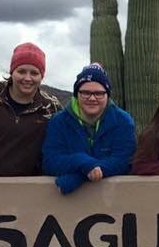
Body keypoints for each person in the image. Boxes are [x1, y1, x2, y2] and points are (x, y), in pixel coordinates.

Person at [0, 42, 62, 177]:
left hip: (29, 184)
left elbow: (59, 145)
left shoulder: (50, 107)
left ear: (41, 76)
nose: (27, 78)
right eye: (21, 71)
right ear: (12, 72)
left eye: (34, 73)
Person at [41, 64, 136, 194]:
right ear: (76, 94)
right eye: (85, 93)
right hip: (68, 203)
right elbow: (50, 162)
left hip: (113, 198)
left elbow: (124, 161)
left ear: (107, 95)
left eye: (99, 93)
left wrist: (79, 177)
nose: (92, 98)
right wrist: (81, 161)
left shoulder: (123, 121)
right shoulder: (58, 121)